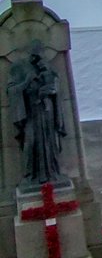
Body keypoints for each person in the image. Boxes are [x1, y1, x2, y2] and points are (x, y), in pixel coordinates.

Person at [6, 41, 67, 185]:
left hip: (47, 110)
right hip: (30, 111)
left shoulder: (47, 67)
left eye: (40, 54)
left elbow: (56, 86)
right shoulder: (18, 67)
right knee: (31, 141)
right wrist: (27, 81)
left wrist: (51, 88)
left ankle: (52, 172)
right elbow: (11, 90)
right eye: (35, 54)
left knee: (50, 141)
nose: (38, 58)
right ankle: (31, 175)